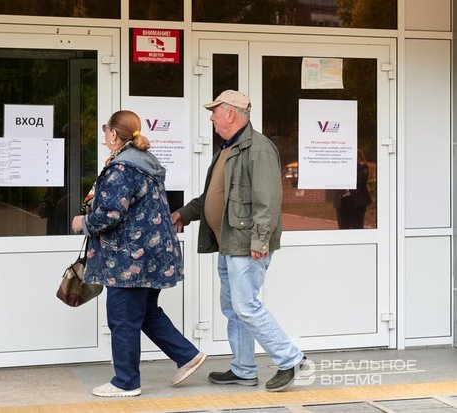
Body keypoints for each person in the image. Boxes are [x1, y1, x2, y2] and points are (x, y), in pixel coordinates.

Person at [171, 90, 306, 392]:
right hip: (229, 243)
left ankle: (290, 358)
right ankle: (244, 369)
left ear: (231, 113)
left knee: (246, 306)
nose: (211, 118)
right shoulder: (228, 148)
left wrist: (260, 241)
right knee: (233, 308)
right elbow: (213, 197)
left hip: (247, 244)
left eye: (215, 112)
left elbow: (268, 201)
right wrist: (185, 213)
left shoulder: (258, 148)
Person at [71, 110, 206, 398]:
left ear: (112, 134)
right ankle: (187, 355)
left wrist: (83, 222)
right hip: (153, 255)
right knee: (145, 313)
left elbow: (110, 213)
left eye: (106, 131)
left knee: (122, 319)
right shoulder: (145, 162)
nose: (104, 136)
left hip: (128, 260)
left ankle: (126, 381)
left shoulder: (122, 168)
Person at [333, 149, 372, 229]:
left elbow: (360, 181)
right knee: (343, 227)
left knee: (357, 227)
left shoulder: (362, 168)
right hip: (342, 202)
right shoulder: (338, 168)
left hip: (357, 202)